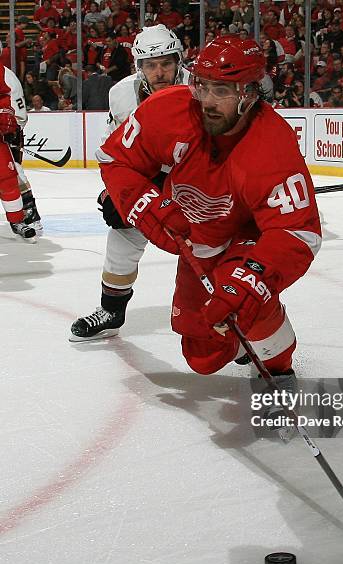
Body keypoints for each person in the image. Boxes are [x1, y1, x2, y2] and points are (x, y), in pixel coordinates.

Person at [94, 35, 321, 400]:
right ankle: (244, 328)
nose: (207, 102)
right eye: (202, 86)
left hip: (250, 238)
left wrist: (251, 280)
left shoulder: (272, 146)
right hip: (200, 237)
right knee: (202, 355)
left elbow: (297, 233)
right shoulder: (169, 109)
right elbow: (115, 158)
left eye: (221, 91)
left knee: (248, 302)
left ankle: (279, 370)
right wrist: (141, 202)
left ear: (249, 93)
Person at [70, 25, 189, 341]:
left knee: (210, 247)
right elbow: (115, 149)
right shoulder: (121, 94)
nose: (160, 71)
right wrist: (115, 193)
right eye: (151, 65)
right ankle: (112, 311)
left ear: (179, 61)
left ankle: (236, 319)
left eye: (166, 62)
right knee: (122, 238)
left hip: (196, 182)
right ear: (140, 67)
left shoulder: (202, 89)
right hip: (147, 177)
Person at [0, 41, 43, 236]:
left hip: (8, 133)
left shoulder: (7, 77)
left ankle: (29, 217)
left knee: (14, 173)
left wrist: (9, 128)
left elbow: (18, 115)